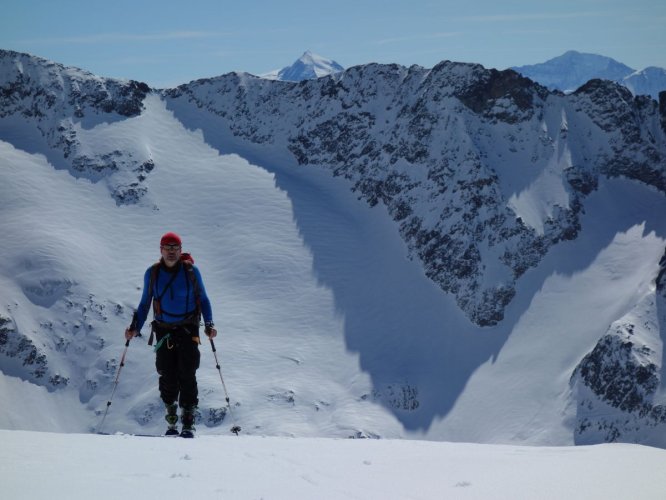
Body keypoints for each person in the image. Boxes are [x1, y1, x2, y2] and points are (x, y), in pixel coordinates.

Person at [125, 232, 217, 437]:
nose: (172, 251)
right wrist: (135, 328)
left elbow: (204, 299)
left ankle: (188, 420)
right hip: (164, 329)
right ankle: (172, 417)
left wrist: (209, 324)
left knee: (188, 371)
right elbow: (144, 303)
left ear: (181, 249)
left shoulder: (191, 272)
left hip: (188, 328)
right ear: (161, 250)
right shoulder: (153, 273)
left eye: (175, 247)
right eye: (168, 247)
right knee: (167, 373)